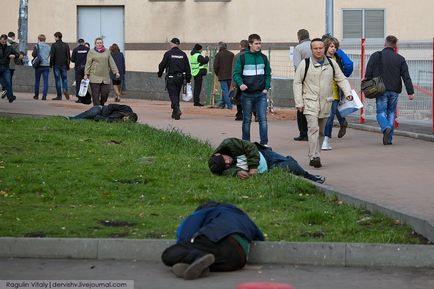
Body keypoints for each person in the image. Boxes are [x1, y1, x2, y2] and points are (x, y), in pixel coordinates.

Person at [161, 200, 264, 280]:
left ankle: (196, 258)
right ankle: (201, 267)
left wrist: (182, 249)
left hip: (217, 239)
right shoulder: (245, 218)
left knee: (169, 254)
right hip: (237, 260)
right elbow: (260, 238)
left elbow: (186, 233)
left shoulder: (206, 210)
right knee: (208, 257)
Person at [293, 38, 352, 168]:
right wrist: (299, 102)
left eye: (320, 48)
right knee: (313, 128)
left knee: (321, 131)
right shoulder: (305, 64)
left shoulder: (331, 64)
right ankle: (314, 156)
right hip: (310, 102)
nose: (318, 50)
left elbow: (341, 78)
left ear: (323, 48)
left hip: (326, 102)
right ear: (311, 49)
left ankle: (316, 153)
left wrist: (348, 93)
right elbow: (297, 83)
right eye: (315, 48)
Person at [365, 35, 414, 145]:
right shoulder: (400, 59)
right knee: (391, 112)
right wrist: (410, 92)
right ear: (395, 46)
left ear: (385, 44)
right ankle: (389, 139)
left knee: (381, 112)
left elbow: (368, 71)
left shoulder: (376, 56)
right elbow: (406, 76)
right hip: (395, 90)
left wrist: (367, 83)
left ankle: (386, 127)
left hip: (380, 89)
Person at [208, 137, 325, 183]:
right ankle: (298, 171)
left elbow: (250, 147)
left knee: (291, 165)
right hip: (267, 170)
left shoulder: (230, 144)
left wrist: (253, 168)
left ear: (219, 153)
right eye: (226, 165)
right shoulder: (220, 167)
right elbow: (227, 171)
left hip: (265, 155)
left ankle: (309, 177)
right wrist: (237, 172)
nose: (228, 162)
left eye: (225, 159)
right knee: (287, 167)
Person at [233, 34, 271, 146]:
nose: (258, 46)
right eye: (256, 43)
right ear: (250, 44)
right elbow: (236, 74)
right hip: (247, 95)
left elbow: (268, 74)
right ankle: (246, 143)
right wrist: (240, 84)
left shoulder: (264, 58)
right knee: (246, 120)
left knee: (263, 120)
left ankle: (264, 144)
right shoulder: (243, 57)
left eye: (260, 43)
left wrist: (266, 87)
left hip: (260, 94)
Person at [321, 36, 353, 150]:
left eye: (335, 47)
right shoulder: (320, 58)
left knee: (329, 117)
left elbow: (341, 76)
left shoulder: (337, 59)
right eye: (331, 46)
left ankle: (325, 140)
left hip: (334, 93)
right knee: (319, 117)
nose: (333, 49)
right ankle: (319, 138)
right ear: (326, 46)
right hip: (320, 93)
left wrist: (347, 91)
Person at [157, 38, 192, 120]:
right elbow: (187, 67)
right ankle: (175, 113)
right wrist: (188, 79)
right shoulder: (183, 54)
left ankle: (176, 109)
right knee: (176, 94)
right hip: (180, 78)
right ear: (178, 44)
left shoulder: (168, 54)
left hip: (171, 78)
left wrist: (160, 73)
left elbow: (162, 65)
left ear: (172, 44)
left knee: (173, 94)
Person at [84, 37, 120, 106]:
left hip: (105, 77)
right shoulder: (91, 52)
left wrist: (116, 72)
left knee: (105, 93)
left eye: (100, 43)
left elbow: (111, 62)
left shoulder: (107, 51)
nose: (99, 44)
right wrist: (86, 74)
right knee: (95, 95)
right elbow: (88, 63)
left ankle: (101, 104)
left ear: (102, 43)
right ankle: (97, 109)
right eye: (98, 43)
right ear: (95, 44)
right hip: (94, 76)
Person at [292, 29, 311, 142]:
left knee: (301, 107)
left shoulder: (299, 48)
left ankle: (303, 133)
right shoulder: (315, 45)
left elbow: (297, 65)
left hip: (304, 80)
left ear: (299, 37)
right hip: (316, 79)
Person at [232, 40, 249, 121]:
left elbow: (234, 70)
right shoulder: (251, 55)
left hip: (240, 80)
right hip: (250, 79)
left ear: (240, 46)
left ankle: (239, 114)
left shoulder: (237, 56)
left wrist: (234, 82)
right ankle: (256, 115)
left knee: (239, 97)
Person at [50, 32, 71, 101]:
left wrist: (51, 64)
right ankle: (65, 90)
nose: (54, 38)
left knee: (57, 80)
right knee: (64, 79)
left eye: (54, 37)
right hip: (64, 65)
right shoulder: (66, 45)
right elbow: (68, 55)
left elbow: (52, 56)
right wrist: (68, 65)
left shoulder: (54, 45)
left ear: (57, 37)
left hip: (56, 65)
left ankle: (59, 96)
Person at [214, 41, 234, 109]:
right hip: (230, 75)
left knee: (225, 91)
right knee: (227, 90)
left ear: (219, 47)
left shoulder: (218, 55)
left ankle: (229, 105)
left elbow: (215, 66)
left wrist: (217, 73)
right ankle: (222, 104)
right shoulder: (231, 54)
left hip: (222, 75)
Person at [0, 34, 19, 103]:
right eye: (2, 42)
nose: (4, 43)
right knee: (3, 81)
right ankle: (4, 89)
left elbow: (17, 54)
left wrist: (14, 55)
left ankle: (10, 97)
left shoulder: (9, 47)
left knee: (8, 81)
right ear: (0, 40)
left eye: (5, 42)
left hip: (6, 67)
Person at [68, 103, 138, 122]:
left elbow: (108, 120)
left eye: (126, 120)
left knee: (87, 121)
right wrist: (105, 115)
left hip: (100, 118)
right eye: (125, 118)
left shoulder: (119, 122)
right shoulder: (126, 108)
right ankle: (71, 119)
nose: (124, 119)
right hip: (101, 109)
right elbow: (112, 106)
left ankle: (70, 120)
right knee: (91, 113)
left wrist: (104, 118)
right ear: (127, 114)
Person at [71, 38, 90, 103]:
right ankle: (86, 97)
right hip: (86, 68)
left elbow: (72, 60)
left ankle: (79, 98)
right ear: (84, 43)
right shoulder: (88, 49)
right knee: (85, 83)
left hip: (78, 68)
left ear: (78, 43)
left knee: (78, 83)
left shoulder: (75, 50)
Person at [32, 34, 51, 101]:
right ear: (45, 39)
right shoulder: (48, 46)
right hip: (46, 65)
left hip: (39, 65)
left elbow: (33, 54)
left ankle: (36, 95)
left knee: (37, 80)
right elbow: (50, 55)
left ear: (39, 39)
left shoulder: (37, 45)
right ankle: (44, 96)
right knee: (45, 81)